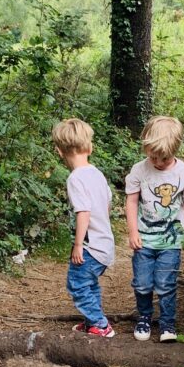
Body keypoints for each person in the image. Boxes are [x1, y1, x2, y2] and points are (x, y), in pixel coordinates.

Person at [125, 116, 184, 342]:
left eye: (163, 158)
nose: (157, 161)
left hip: (171, 240)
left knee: (166, 284)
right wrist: (133, 231)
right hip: (144, 239)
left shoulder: (183, 172)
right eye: (152, 156)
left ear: (174, 150)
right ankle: (145, 317)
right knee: (143, 283)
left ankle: (167, 323)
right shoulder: (139, 170)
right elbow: (131, 201)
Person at [52, 118, 116, 337]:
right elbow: (106, 205)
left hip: (91, 247)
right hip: (105, 244)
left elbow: (83, 212)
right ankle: (93, 321)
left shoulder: (76, 178)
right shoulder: (96, 173)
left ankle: (100, 324)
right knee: (90, 284)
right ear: (89, 147)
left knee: (77, 284)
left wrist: (78, 244)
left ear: (59, 151)